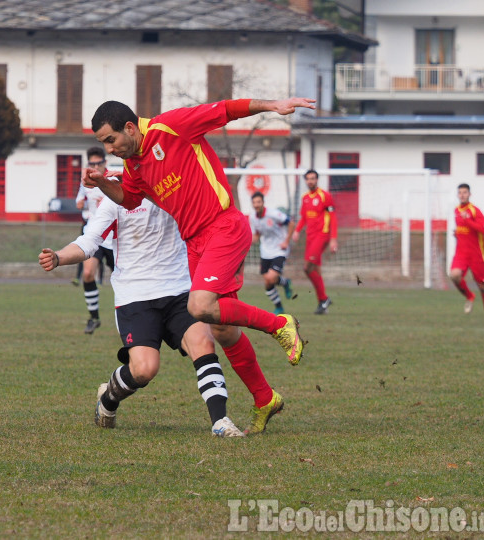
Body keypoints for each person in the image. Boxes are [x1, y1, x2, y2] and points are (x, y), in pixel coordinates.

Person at [84, 97, 315, 368]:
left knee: (199, 307)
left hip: (222, 227)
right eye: (103, 143)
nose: (109, 149)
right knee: (220, 327)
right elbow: (131, 199)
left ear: (130, 128)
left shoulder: (172, 125)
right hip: (194, 243)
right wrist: (101, 184)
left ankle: (279, 324)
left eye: (111, 140)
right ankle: (265, 399)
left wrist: (272, 105)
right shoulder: (133, 164)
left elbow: (225, 110)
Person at [40, 197, 248, 437]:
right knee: (144, 370)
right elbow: (88, 242)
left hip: (180, 290)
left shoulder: (173, 191)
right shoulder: (114, 200)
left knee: (203, 342)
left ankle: (220, 421)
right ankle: (108, 398)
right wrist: (58, 257)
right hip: (135, 297)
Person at [73, 147, 117, 334]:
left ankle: (129, 315)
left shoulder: (114, 179)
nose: (96, 166)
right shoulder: (86, 182)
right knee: (88, 274)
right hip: (95, 235)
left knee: (122, 279)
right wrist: (81, 203)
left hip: (114, 237)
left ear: (105, 163)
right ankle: (94, 317)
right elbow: (79, 201)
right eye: (92, 163)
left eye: (99, 163)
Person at [291, 169, 338, 315]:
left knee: (307, 268)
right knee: (315, 270)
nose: (310, 181)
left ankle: (324, 298)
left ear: (317, 180)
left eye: (313, 178)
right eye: (308, 179)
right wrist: (297, 230)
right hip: (310, 238)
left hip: (322, 235)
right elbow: (304, 217)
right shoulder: (305, 198)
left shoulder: (325, 196)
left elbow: (333, 217)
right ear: (305, 181)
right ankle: (322, 303)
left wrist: (333, 239)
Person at [449, 183, 484, 325]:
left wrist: (468, 220)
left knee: (482, 286)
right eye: (460, 193)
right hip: (461, 253)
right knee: (454, 275)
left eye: (465, 192)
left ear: (469, 194)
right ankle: (470, 296)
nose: (462, 195)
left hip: (477, 255)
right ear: (457, 195)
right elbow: (463, 230)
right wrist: (457, 234)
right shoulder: (456, 210)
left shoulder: (475, 211)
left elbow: (483, 229)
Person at [249, 191, 295, 315]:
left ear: (263, 202)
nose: (256, 205)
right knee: (268, 281)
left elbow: (290, 222)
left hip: (280, 249)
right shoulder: (253, 217)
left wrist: (286, 241)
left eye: (258, 202)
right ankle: (279, 303)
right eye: (254, 202)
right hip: (265, 251)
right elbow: (257, 234)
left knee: (271, 277)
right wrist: (248, 242)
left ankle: (283, 287)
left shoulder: (273, 214)